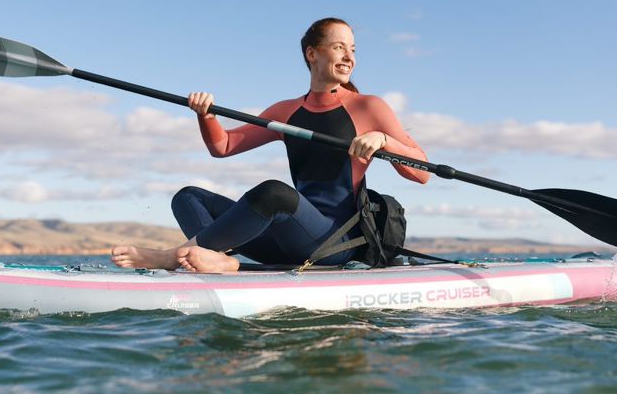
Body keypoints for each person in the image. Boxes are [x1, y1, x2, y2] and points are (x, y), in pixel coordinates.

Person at [111, 17, 429, 273]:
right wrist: (205, 115)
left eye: (353, 49)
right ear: (312, 53)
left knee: (274, 194)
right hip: (287, 239)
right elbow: (223, 146)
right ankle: (222, 259)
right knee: (189, 197)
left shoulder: (368, 107)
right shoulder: (286, 111)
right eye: (339, 47)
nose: (349, 57)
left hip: (334, 242)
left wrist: (384, 140)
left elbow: (422, 171)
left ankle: (177, 255)